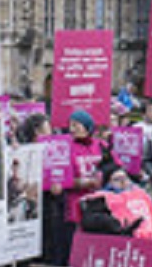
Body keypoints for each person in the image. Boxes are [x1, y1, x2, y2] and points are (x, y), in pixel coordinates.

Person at [47, 110, 107, 263]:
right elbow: (60, 174)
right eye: (70, 125)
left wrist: (104, 175)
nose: (72, 129)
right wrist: (81, 182)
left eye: (76, 125)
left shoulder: (101, 145)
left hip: (98, 202)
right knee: (73, 246)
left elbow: (113, 166)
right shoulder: (65, 145)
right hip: (73, 203)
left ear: (87, 126)